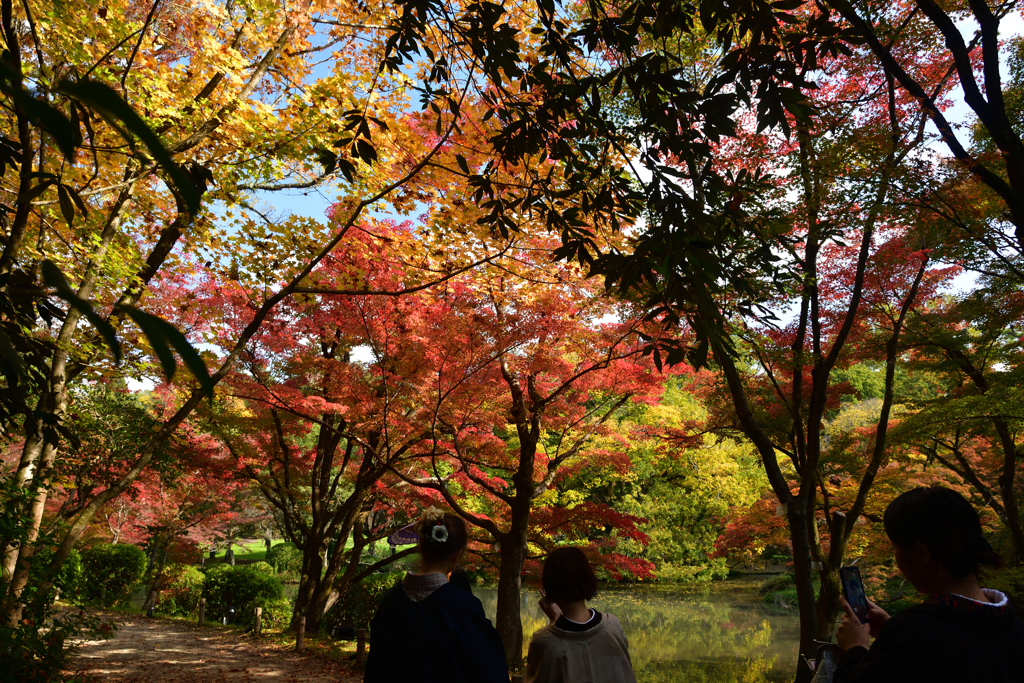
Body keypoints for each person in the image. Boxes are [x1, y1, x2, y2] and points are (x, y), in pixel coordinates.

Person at [834, 486, 1024, 682]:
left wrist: (854, 648)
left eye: (895, 546)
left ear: (922, 553)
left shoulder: (912, 634)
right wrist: (889, 633)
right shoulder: (1014, 626)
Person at [364, 508, 508, 683]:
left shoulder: (391, 601)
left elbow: (375, 669)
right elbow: (491, 672)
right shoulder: (464, 608)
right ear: (457, 555)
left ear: (421, 545)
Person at [524, 547, 637, 683]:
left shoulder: (544, 642)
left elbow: (532, 676)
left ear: (550, 585)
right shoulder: (613, 626)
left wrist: (555, 621)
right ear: (588, 578)